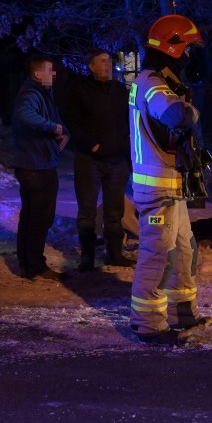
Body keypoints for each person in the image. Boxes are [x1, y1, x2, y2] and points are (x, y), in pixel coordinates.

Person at [128, 14, 212, 345]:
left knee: (183, 251)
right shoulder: (151, 83)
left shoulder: (159, 81)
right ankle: (148, 324)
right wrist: (191, 111)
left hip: (171, 187)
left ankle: (183, 313)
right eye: (188, 50)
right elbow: (176, 115)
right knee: (158, 256)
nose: (192, 58)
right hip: (157, 189)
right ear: (173, 48)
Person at [63, 49, 135, 271]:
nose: (108, 65)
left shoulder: (120, 91)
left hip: (117, 160)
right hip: (89, 160)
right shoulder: (79, 90)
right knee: (87, 211)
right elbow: (71, 120)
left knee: (115, 211)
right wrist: (89, 144)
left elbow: (129, 120)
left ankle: (114, 254)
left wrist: (126, 148)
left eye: (109, 62)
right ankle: (87, 257)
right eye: (103, 62)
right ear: (91, 66)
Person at [12, 54, 71, 281]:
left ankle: (27, 264)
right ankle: (35, 266)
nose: (53, 74)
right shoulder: (31, 93)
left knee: (31, 216)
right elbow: (24, 114)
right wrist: (51, 127)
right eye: (49, 70)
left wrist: (63, 131)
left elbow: (56, 120)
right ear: (38, 74)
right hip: (35, 166)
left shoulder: (43, 93)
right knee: (39, 217)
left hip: (37, 163)